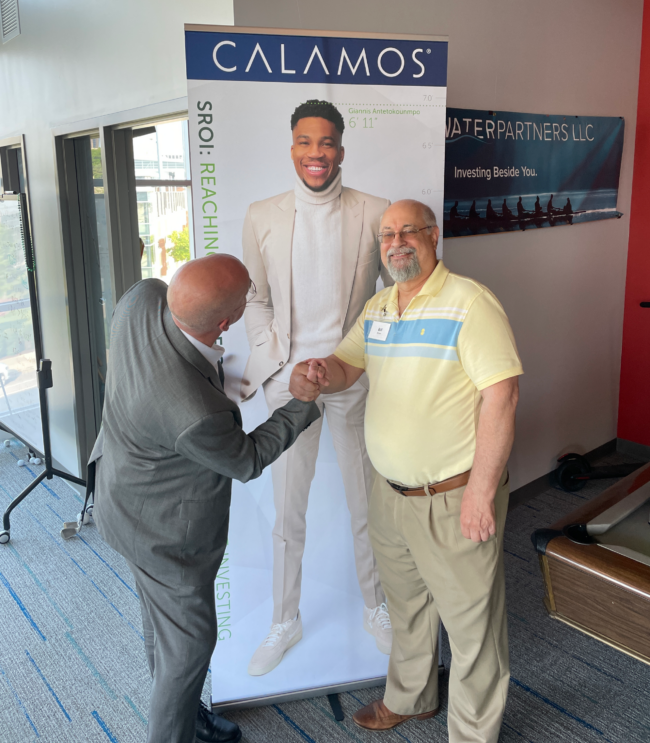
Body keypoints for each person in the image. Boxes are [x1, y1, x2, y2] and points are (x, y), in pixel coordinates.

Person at [290, 200, 522, 743]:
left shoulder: (470, 303)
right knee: (408, 607)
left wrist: (481, 492)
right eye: (387, 234)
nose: (396, 242)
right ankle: (412, 698)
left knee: (472, 627)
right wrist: (317, 375)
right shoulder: (379, 307)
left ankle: (472, 735)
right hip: (390, 494)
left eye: (408, 231)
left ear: (433, 236)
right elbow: (347, 366)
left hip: (454, 495)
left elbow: (503, 397)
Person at [88, 254, 320, 743]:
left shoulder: (142, 298)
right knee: (190, 645)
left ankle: (188, 716)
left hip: (120, 495)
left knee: (163, 624)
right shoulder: (195, 412)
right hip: (163, 534)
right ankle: (175, 729)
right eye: (247, 294)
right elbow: (246, 459)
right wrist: (301, 402)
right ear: (225, 323)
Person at [241, 99, 393, 676]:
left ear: (341, 150)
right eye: (305, 142)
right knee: (288, 512)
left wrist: (355, 359)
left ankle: (376, 607)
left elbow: (390, 300)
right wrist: (280, 361)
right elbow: (256, 299)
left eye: (326, 142)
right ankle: (286, 619)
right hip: (290, 384)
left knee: (365, 501)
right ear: (292, 149)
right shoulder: (262, 215)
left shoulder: (375, 211)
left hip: (351, 376)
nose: (316, 153)